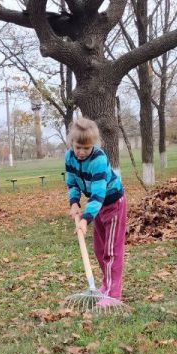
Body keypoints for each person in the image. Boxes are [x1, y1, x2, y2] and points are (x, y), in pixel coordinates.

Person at [64, 117, 127, 307]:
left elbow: (99, 193)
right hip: (96, 206)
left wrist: (85, 219)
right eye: (78, 147)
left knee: (111, 251)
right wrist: (74, 203)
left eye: (86, 148)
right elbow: (72, 182)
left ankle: (113, 294)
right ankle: (105, 286)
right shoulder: (69, 157)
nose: (81, 152)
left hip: (112, 203)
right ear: (71, 143)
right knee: (100, 250)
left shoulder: (98, 159)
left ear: (94, 144)